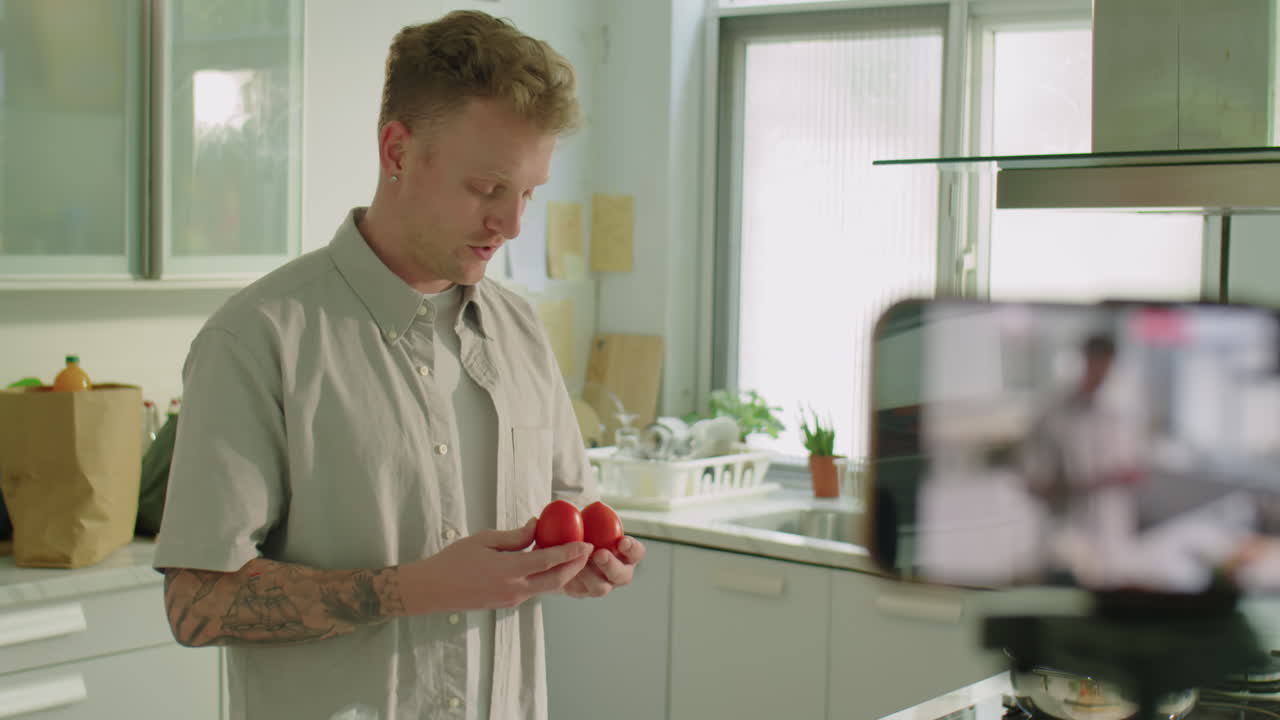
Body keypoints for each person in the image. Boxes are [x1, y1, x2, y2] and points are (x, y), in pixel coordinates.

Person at [154, 11, 645, 720]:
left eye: (529, 193)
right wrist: (413, 588)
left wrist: (580, 567)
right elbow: (196, 603)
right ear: (397, 152)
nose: (511, 225)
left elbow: (559, 513)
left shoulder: (519, 329)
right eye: (487, 189)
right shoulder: (257, 339)